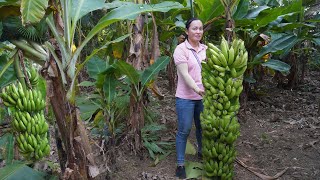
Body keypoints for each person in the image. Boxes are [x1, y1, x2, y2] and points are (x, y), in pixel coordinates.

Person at [173, 17, 207, 179]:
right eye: (194, 28)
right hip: (186, 97)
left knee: (202, 127)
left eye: (200, 28)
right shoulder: (181, 49)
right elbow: (184, 74)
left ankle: (201, 152)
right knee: (184, 129)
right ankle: (180, 164)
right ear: (187, 31)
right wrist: (197, 89)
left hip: (203, 97)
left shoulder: (207, 49)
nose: (198, 31)